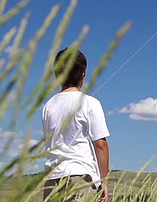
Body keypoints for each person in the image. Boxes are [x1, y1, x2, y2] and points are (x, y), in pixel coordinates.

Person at [42, 48, 110, 201]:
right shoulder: (90, 103)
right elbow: (101, 144)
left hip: (52, 178)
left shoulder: (48, 106)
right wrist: (104, 181)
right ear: (83, 75)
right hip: (80, 178)